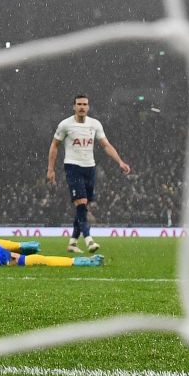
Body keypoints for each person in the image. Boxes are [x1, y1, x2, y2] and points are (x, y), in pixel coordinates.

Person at [45, 94, 130, 255]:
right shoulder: (65, 125)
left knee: (82, 208)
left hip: (90, 168)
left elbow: (106, 145)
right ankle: (89, 239)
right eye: (79, 104)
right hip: (73, 167)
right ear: (74, 107)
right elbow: (54, 146)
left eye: (85, 104)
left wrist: (120, 161)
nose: (82, 107)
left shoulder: (95, 124)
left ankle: (72, 242)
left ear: (88, 107)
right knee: (82, 204)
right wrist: (51, 169)